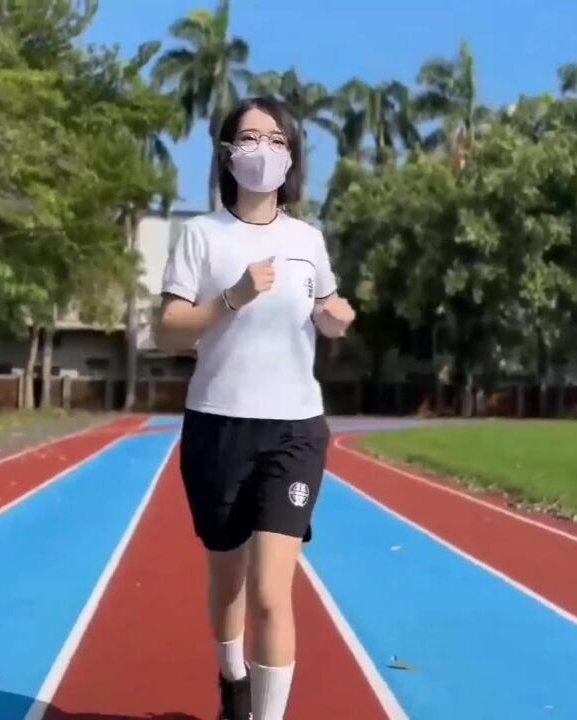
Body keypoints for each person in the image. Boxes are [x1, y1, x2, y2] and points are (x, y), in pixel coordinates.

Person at [155, 96, 356, 720]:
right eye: (249, 138)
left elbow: (327, 309)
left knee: (272, 590)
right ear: (227, 153)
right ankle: (232, 677)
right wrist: (232, 298)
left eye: (275, 140)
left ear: (291, 156)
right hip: (218, 425)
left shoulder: (308, 241)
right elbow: (168, 329)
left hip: (294, 429)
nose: (261, 150)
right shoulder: (201, 235)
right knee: (228, 578)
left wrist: (337, 318)